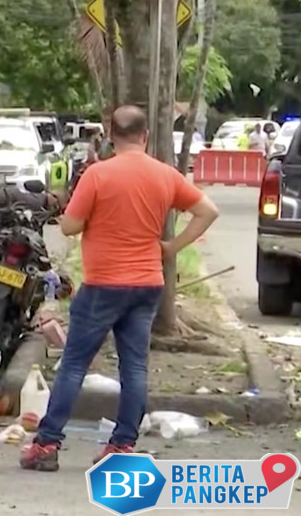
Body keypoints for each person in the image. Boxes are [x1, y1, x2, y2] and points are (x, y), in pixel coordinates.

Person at [20, 105, 219, 472]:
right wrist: (171, 248)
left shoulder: (98, 174)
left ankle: (47, 445)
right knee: (135, 367)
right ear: (144, 136)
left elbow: (69, 227)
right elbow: (208, 210)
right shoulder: (166, 175)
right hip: (146, 285)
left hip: (103, 285)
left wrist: (73, 212)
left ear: (111, 134)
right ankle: (123, 445)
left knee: (74, 365)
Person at [0, 183, 62, 276]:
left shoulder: (36, 201)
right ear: (55, 201)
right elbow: (36, 236)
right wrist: (47, 267)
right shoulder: (37, 205)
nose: (56, 213)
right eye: (59, 209)